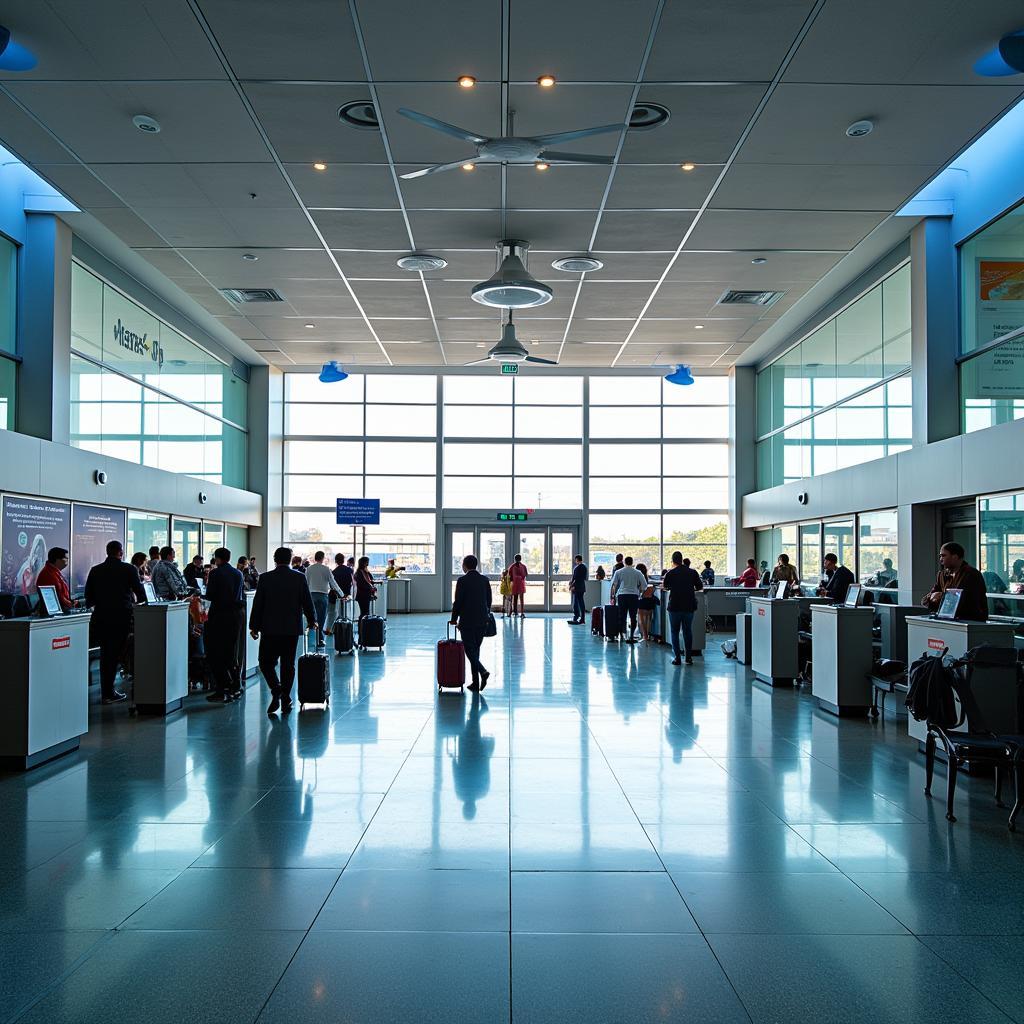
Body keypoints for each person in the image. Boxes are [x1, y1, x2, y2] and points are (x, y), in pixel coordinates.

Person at [249, 546, 317, 714]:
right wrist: (312, 620)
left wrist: (254, 626)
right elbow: (306, 600)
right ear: (289, 559)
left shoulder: (265, 578)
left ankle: (276, 689)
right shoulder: (299, 578)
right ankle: (285, 697)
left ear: (275, 559)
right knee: (288, 664)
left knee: (265, 662)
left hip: (269, 628)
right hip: (291, 629)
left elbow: (259, 603)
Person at [84, 540, 146, 704]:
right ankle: (109, 692)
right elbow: (140, 592)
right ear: (121, 552)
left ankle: (107, 691)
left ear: (107, 552)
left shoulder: (96, 570)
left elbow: (88, 597)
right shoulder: (128, 569)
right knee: (118, 653)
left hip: (101, 617)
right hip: (121, 617)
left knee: (106, 654)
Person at [204, 547, 245, 703]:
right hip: (235, 616)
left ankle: (223, 688)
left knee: (216, 653)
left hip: (219, 616)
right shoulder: (238, 573)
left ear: (217, 558)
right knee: (230, 652)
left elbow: (210, 596)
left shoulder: (215, 573)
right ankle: (236, 686)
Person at [450, 553, 492, 691]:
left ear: (465, 566)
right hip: (482, 621)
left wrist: (454, 618)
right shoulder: (485, 580)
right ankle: (475, 682)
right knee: (475, 650)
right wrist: (486, 615)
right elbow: (489, 600)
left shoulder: (462, 580)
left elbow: (458, 602)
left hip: (467, 621)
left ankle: (483, 672)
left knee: (469, 650)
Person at [922, 541, 988, 621]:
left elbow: (969, 601)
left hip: (970, 622)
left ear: (955, 556)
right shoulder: (942, 575)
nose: (941, 559)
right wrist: (932, 597)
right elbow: (925, 600)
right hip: (949, 621)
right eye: (940, 556)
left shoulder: (971, 574)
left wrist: (941, 596)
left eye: (943, 556)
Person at [661, 549, 703, 666]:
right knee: (687, 631)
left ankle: (677, 658)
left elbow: (665, 587)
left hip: (674, 606)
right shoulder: (692, 572)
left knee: (674, 632)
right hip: (689, 605)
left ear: (673, 561)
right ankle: (688, 658)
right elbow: (699, 587)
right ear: (681, 559)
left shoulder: (670, 573)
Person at [305, 549, 344, 647]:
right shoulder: (326, 569)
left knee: (312, 618)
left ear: (315, 558)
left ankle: (311, 639)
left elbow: (306, 583)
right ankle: (320, 640)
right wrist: (341, 594)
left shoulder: (309, 569)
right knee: (321, 619)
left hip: (311, 596)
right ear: (322, 558)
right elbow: (333, 583)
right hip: (323, 596)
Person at [610, 555, 645, 643]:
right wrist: (639, 591)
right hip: (633, 596)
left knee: (622, 616)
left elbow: (614, 585)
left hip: (622, 595)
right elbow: (644, 585)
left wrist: (613, 596)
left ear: (624, 562)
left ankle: (622, 634)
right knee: (633, 617)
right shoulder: (638, 572)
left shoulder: (619, 571)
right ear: (632, 562)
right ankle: (632, 636)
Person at [36, 546, 73, 611]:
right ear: (58, 560)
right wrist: (71, 604)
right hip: (55, 611)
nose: (68, 561)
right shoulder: (48, 574)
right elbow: (58, 596)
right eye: (66, 558)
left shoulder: (55, 572)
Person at [325, 552, 352, 635]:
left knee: (331, 613)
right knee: (344, 613)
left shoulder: (334, 572)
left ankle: (329, 630)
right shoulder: (349, 570)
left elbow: (331, 584)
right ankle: (342, 630)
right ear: (343, 560)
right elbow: (351, 582)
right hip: (345, 595)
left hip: (334, 595)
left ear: (336, 561)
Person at [636, 562, 658, 642]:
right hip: (650, 600)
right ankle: (647, 635)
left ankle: (644, 636)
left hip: (642, 600)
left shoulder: (638, 579)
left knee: (641, 620)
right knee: (648, 619)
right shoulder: (647, 579)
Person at [354, 555, 378, 622]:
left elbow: (370, 579)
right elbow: (361, 585)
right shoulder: (359, 572)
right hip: (362, 595)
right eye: (367, 562)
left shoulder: (364, 571)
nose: (368, 564)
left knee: (365, 612)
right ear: (363, 563)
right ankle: (361, 628)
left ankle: (363, 628)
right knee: (364, 612)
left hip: (366, 595)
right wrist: (370, 588)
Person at [568, 554, 588, 624]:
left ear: (577, 560)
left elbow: (576, 578)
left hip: (577, 588)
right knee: (580, 602)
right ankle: (581, 618)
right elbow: (582, 578)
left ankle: (577, 617)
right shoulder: (584, 567)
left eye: (575, 560)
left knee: (577, 603)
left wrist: (572, 586)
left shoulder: (578, 568)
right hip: (582, 587)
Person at [507, 553, 527, 618]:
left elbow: (509, 576)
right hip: (521, 584)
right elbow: (525, 574)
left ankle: (512, 612)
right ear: (520, 559)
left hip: (514, 584)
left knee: (513, 598)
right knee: (521, 599)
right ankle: (521, 613)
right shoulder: (523, 566)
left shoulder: (512, 566)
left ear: (514, 559)